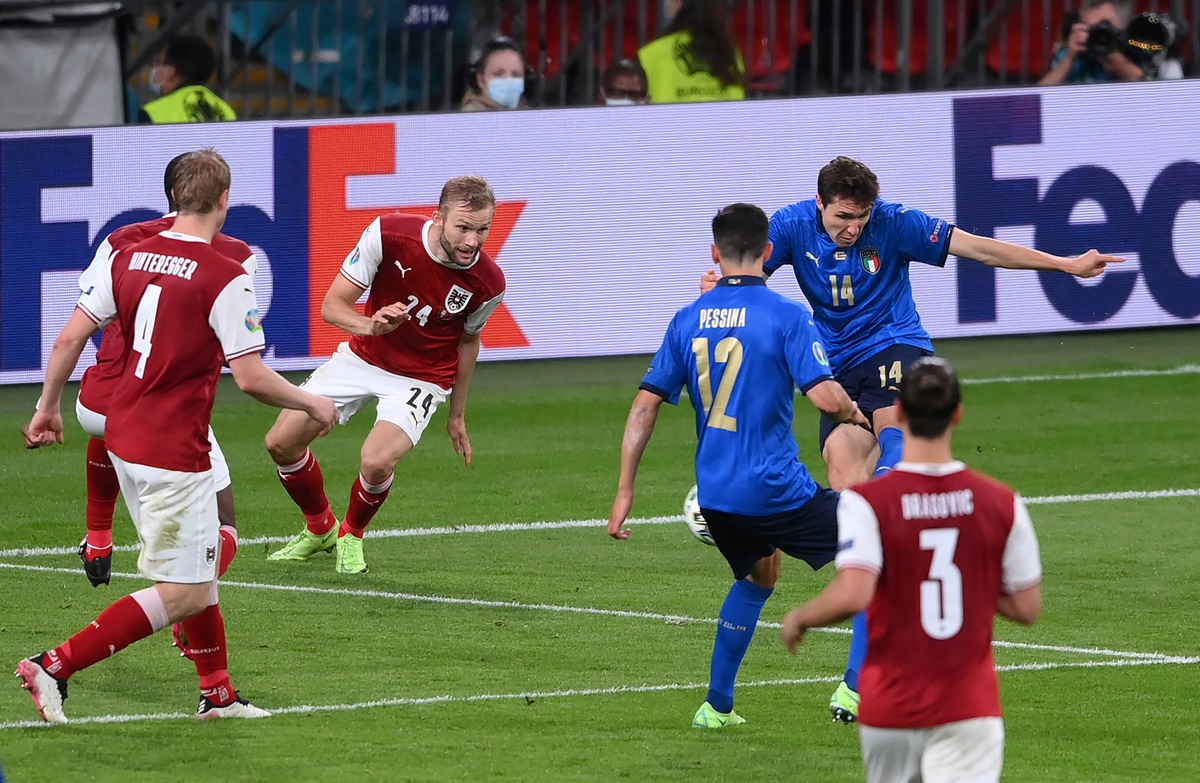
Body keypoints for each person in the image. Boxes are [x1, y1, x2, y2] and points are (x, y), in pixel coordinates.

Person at [700, 155, 1117, 721]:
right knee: (848, 488)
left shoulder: (893, 223)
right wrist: (717, 287)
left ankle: (855, 681)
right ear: (819, 204)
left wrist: (1064, 264)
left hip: (899, 348)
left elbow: (979, 248)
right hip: (839, 370)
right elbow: (743, 273)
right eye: (845, 216)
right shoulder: (793, 225)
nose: (855, 227)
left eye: (862, 216)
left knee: (892, 423)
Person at [16, 149, 337, 724]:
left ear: (172, 199)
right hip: (172, 446)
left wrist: (47, 408)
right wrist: (312, 400)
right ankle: (54, 664)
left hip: (122, 433)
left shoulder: (129, 256)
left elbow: (68, 339)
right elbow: (251, 377)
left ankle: (217, 695)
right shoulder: (229, 270)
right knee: (189, 588)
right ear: (223, 202)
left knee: (200, 565)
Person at [607, 203, 868, 729]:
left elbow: (644, 406)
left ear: (714, 254)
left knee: (760, 574)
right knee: (879, 551)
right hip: (776, 489)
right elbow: (823, 395)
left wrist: (625, 490)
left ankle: (716, 706)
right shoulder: (787, 315)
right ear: (769, 252)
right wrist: (855, 413)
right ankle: (857, 690)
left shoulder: (687, 317)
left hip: (717, 495)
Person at [781, 357, 1043, 783]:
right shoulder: (1000, 502)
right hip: (969, 706)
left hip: (891, 709)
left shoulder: (869, 502)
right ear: (958, 414)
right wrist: (973, 578)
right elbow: (1028, 607)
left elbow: (854, 593)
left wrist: (801, 618)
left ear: (898, 411)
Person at [264, 175, 507, 575]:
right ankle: (320, 527)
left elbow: (468, 343)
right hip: (362, 356)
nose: (472, 241)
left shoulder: (488, 283)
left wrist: (457, 415)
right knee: (280, 443)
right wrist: (370, 326)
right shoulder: (387, 233)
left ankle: (351, 534)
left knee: (376, 461)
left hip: (422, 377)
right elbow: (332, 305)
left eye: (483, 230)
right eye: (463, 228)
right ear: (439, 218)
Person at [638, 0, 745, 104]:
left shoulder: (651, 53)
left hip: (671, 121)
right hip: (723, 121)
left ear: (679, 2)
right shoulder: (732, 54)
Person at [1037, 1, 1144, 86]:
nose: (1099, 34)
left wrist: (1120, 63)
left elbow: (1155, 97)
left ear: (1124, 27)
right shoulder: (1070, 56)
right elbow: (1035, 101)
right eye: (1091, 28)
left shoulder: (1141, 53)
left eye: (1105, 26)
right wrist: (1069, 60)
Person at [138, 34, 237, 123]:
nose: (154, 68)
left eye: (159, 62)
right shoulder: (226, 111)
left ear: (170, 72)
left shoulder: (153, 113)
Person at [460, 37, 528, 111]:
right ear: (481, 80)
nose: (508, 79)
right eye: (498, 74)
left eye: (516, 75)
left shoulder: (529, 115)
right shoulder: (471, 118)